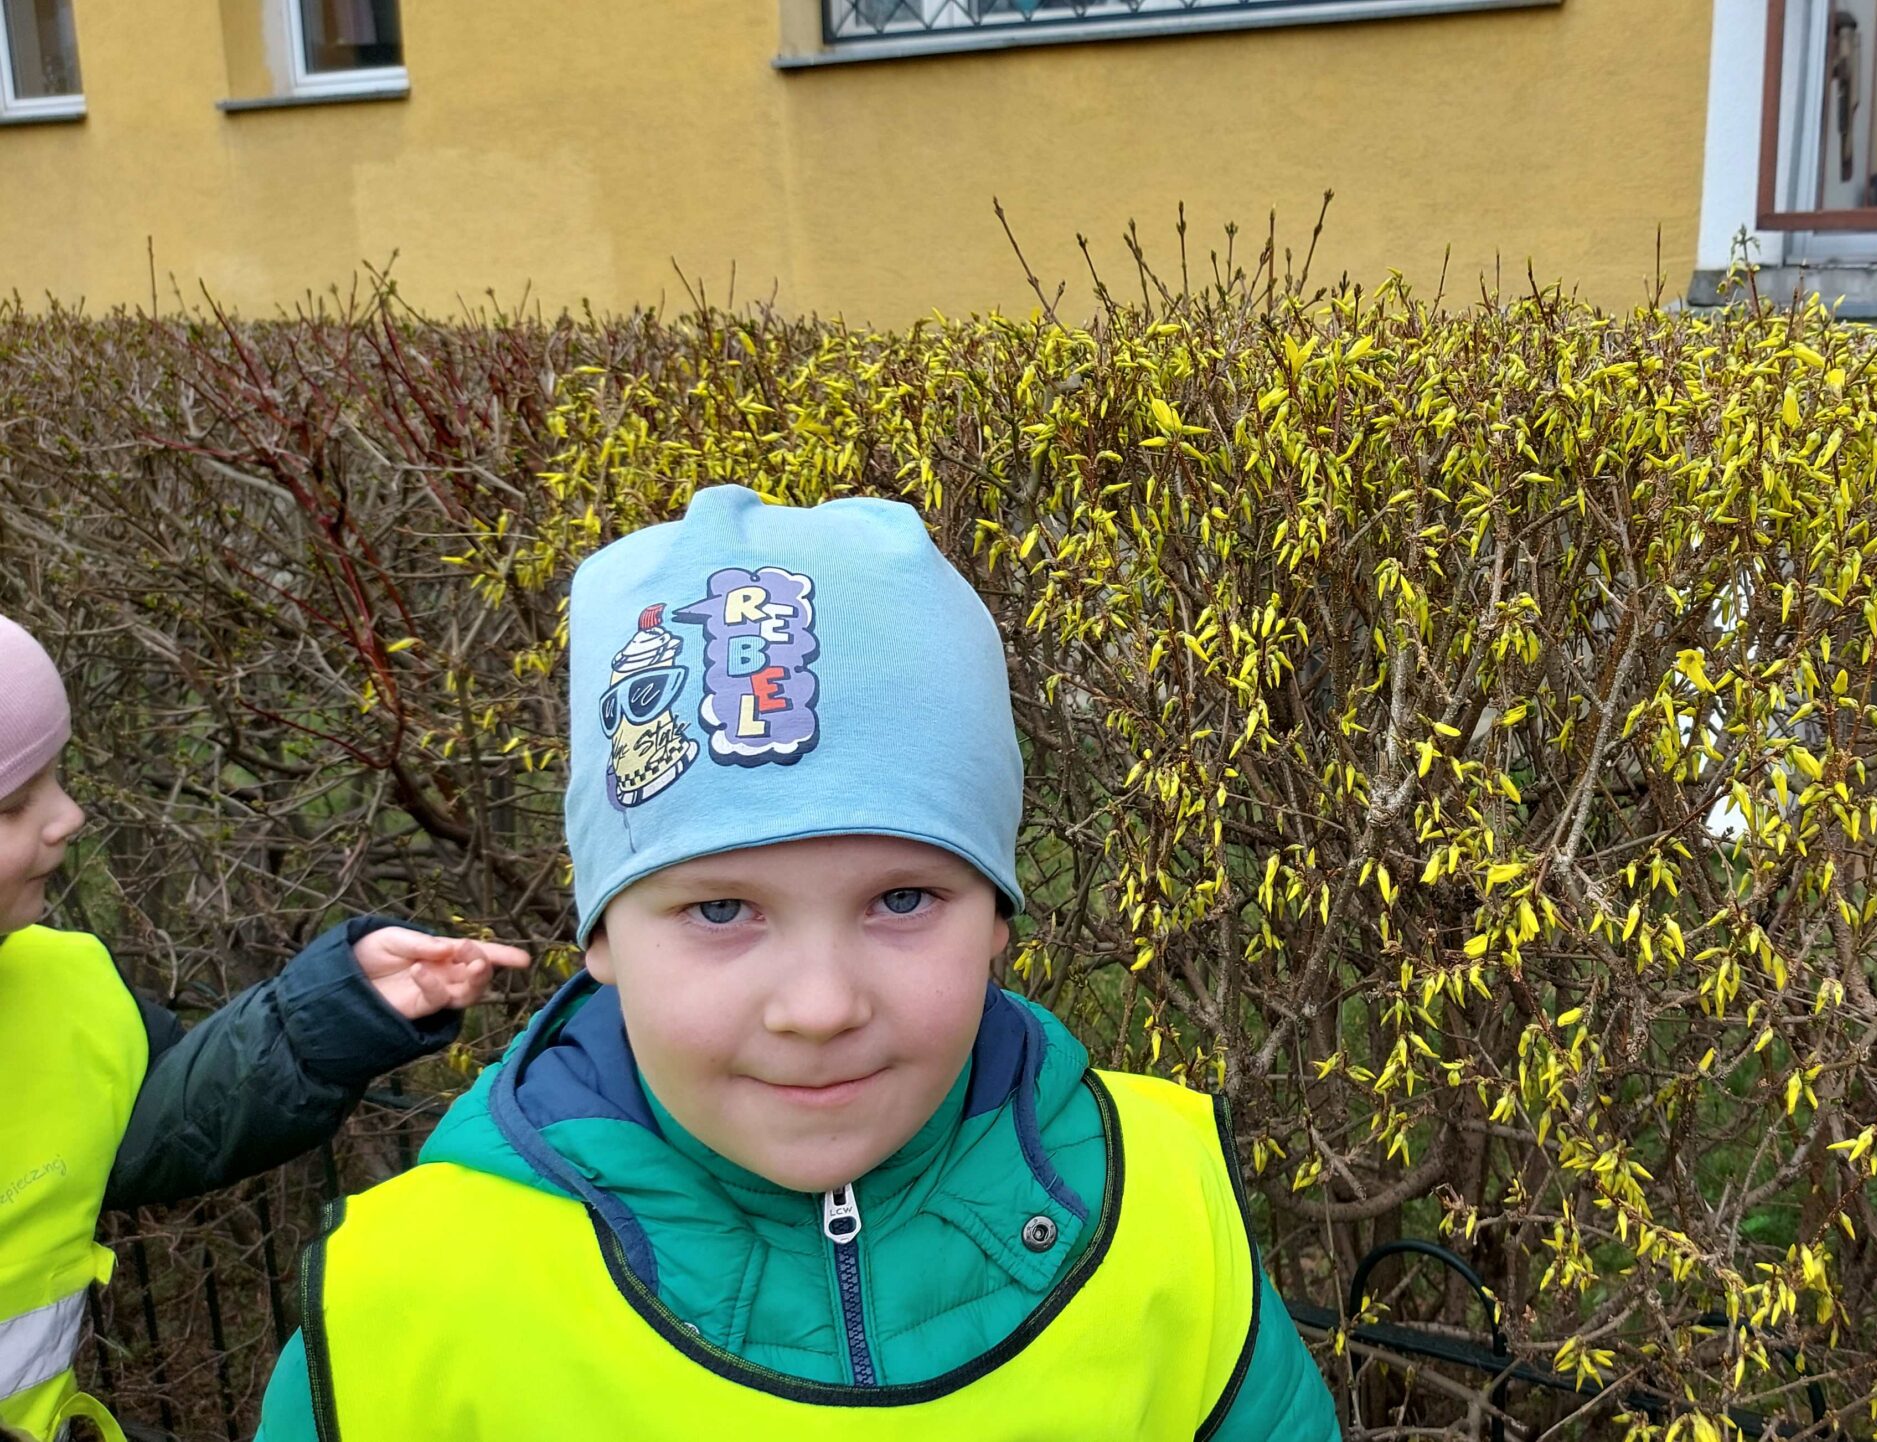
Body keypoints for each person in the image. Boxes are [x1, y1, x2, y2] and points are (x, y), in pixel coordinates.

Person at [255, 485, 1339, 1439]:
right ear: (603, 937)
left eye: (902, 899)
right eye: (720, 908)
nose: (819, 1007)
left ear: (997, 919)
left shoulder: (1165, 1210)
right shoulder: (403, 1304)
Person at [0, 614, 529, 1442]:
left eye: (57, 777)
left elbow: (172, 1117)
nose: (67, 816)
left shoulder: (65, 987)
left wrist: (340, 1009)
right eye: (12, 805)